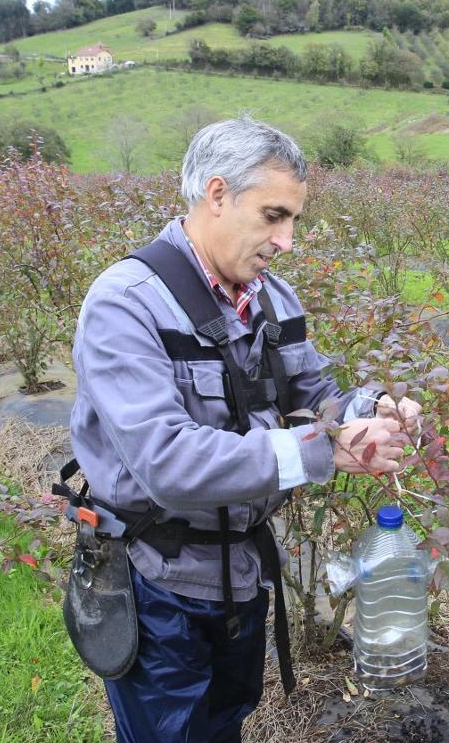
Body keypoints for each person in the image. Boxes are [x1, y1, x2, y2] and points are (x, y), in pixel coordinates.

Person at [69, 117, 420, 742]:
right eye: (273, 216)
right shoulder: (125, 304)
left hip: (243, 575)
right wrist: (320, 453)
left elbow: (315, 399)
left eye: (293, 221)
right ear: (218, 193)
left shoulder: (271, 299)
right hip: (160, 585)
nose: (286, 240)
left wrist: (370, 412)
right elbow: (167, 462)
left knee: (225, 723)